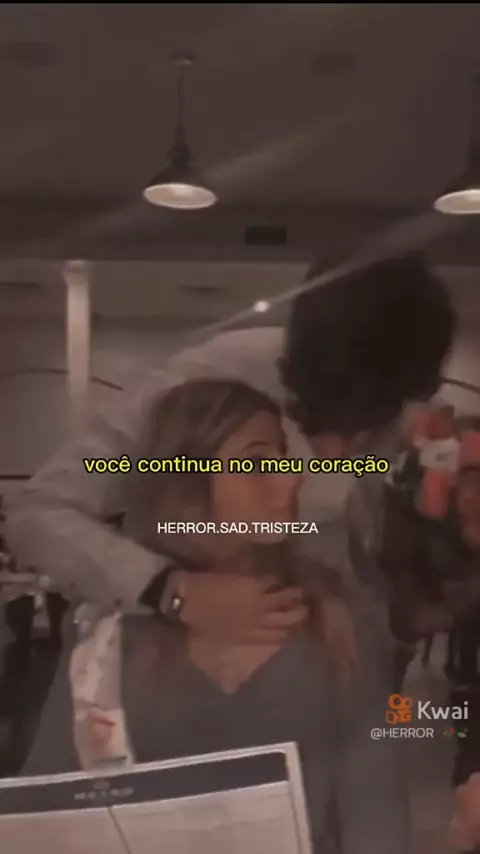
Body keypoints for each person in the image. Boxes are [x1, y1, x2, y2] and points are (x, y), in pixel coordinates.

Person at [24, 380, 410, 854]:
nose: (292, 478)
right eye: (257, 463)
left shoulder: (339, 619)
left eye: (285, 457)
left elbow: (376, 810)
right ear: (186, 486)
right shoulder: (106, 637)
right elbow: (47, 807)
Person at [4, 255, 455, 645]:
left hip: (319, 658)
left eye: (365, 429)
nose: (331, 457)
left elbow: (359, 560)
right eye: (319, 419)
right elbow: (39, 513)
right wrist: (170, 589)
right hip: (170, 653)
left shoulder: (403, 400)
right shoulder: (209, 380)